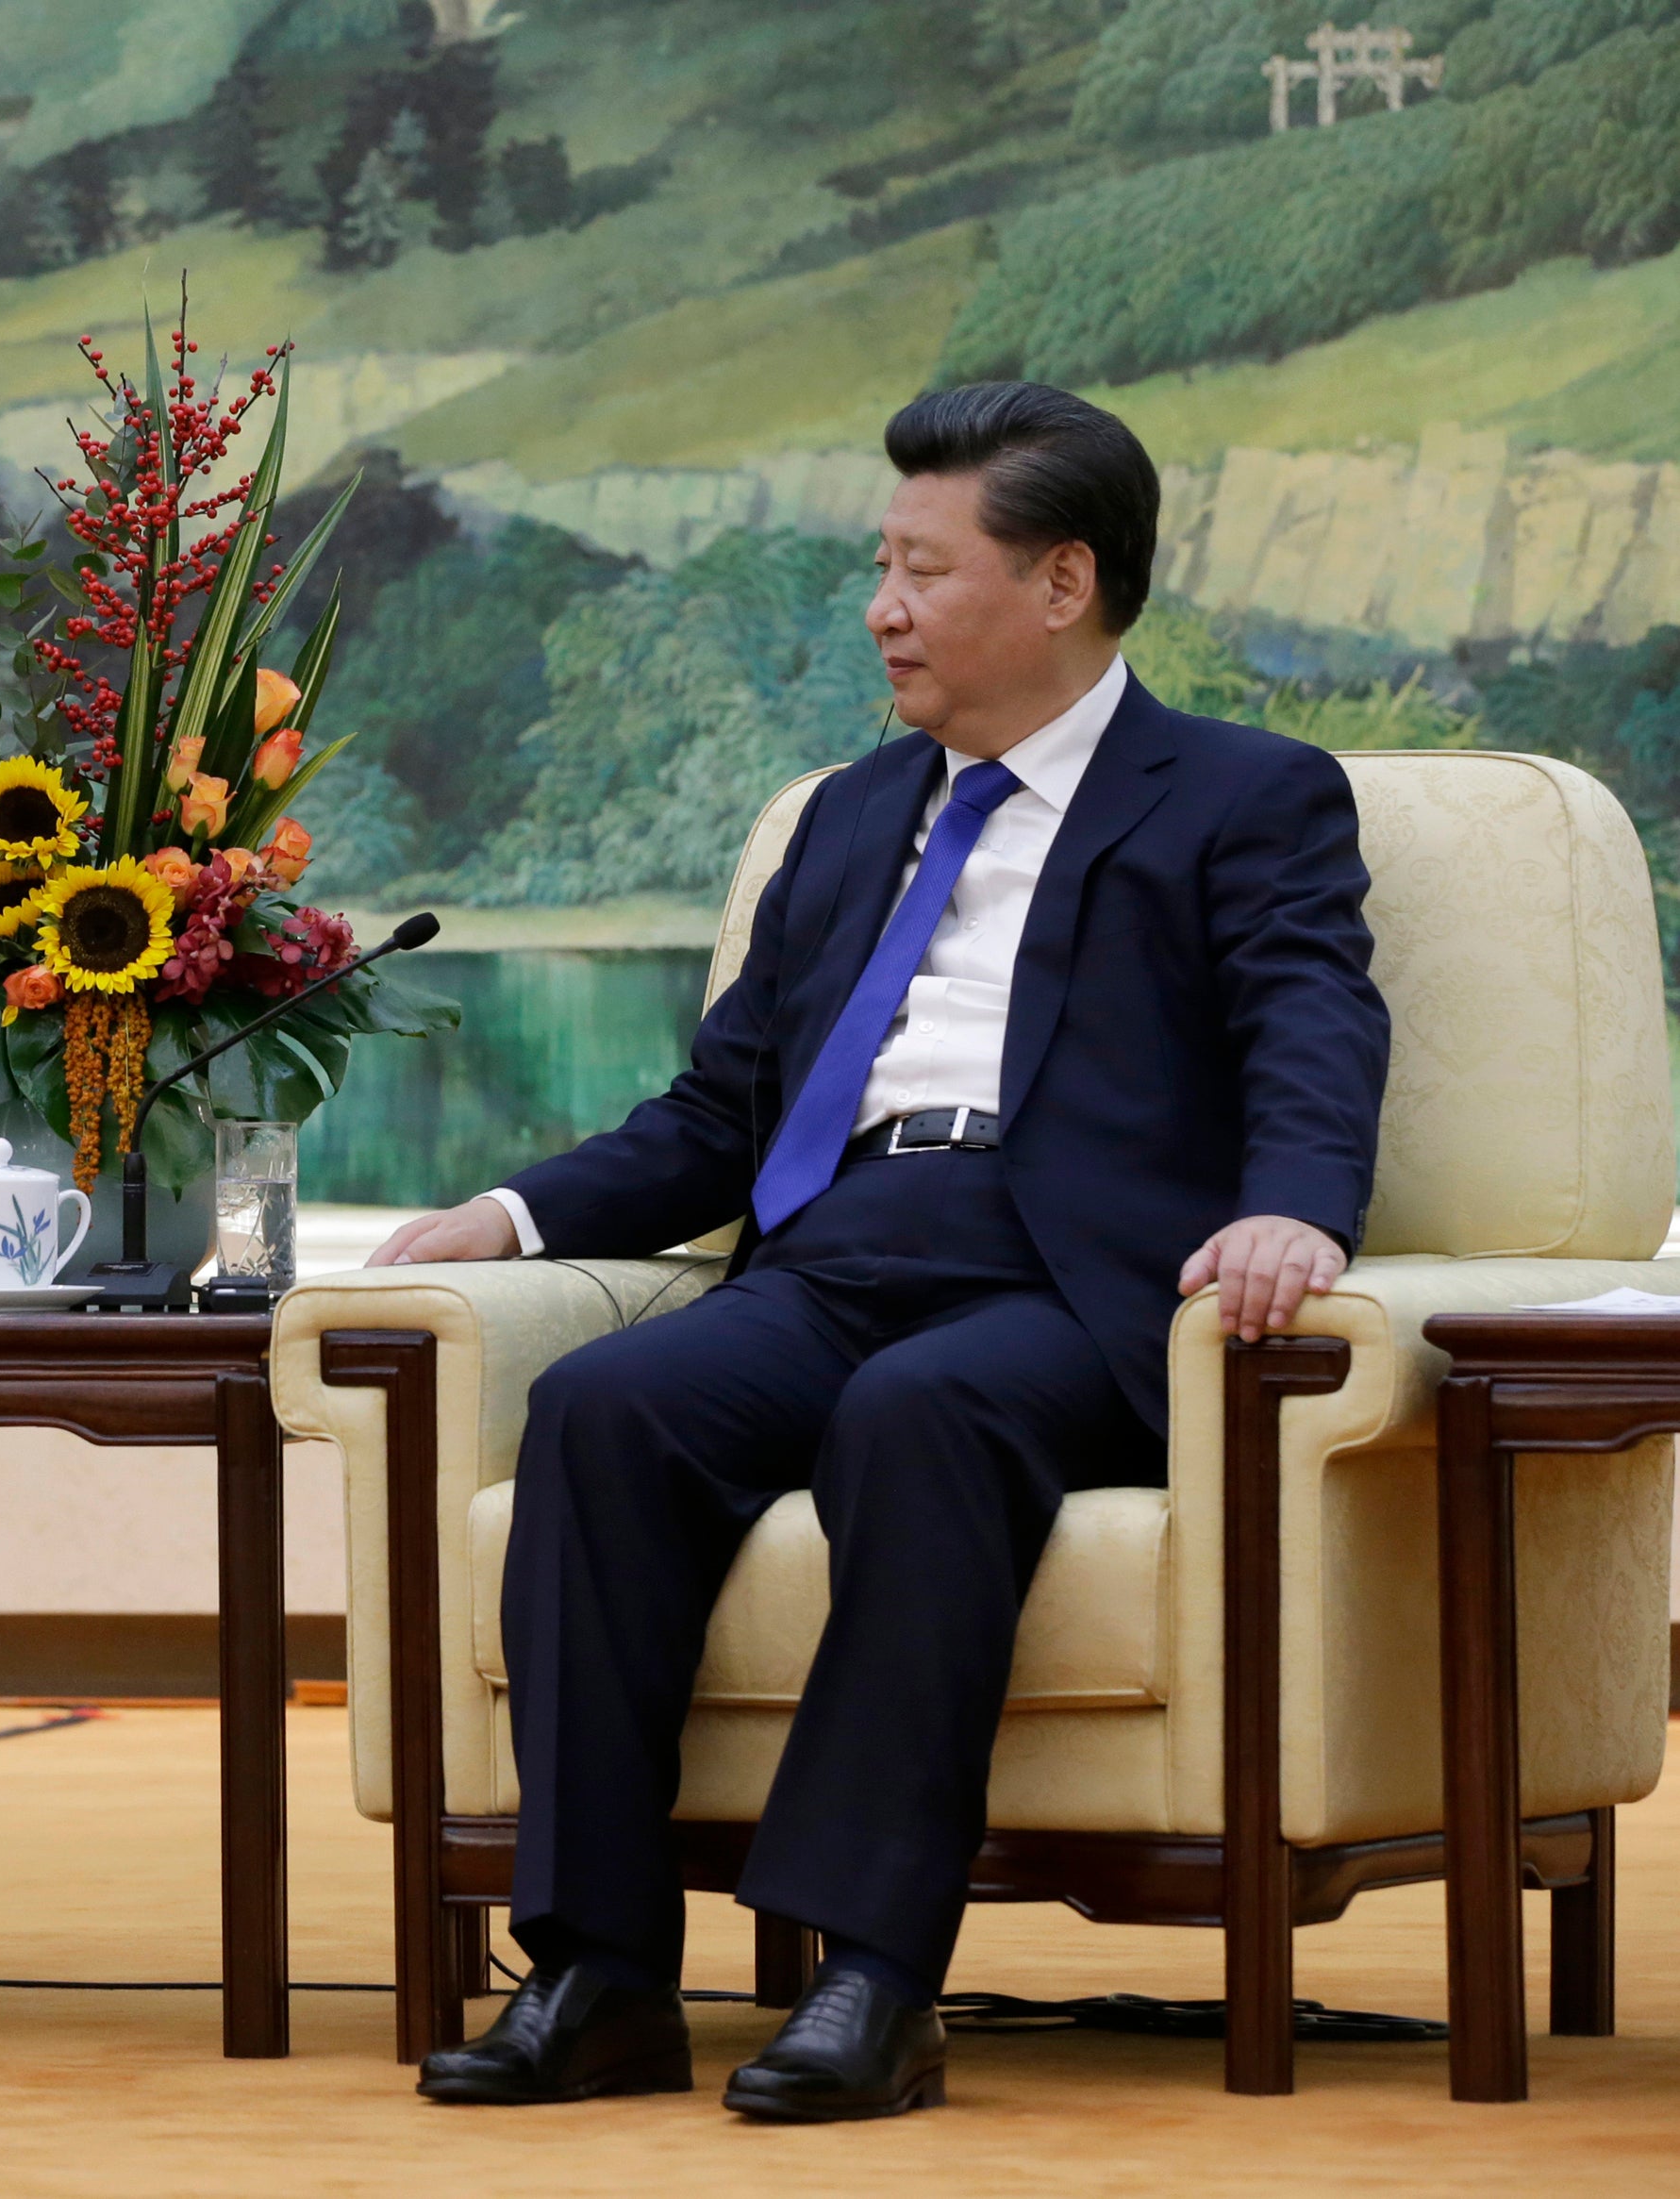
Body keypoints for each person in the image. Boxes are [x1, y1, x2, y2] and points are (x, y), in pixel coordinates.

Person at [374, 385, 1387, 2122]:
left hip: (1066, 1282)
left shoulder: (1242, 796)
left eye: (925, 569)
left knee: (920, 1416)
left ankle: (871, 1977)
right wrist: (518, 1216)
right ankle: (600, 1972)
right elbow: (722, 1109)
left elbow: (1312, 1021)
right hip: (838, 1251)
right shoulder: (848, 814)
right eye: (881, 565)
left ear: (1063, 583)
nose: (883, 608)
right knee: (609, 1411)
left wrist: (1298, 1203)